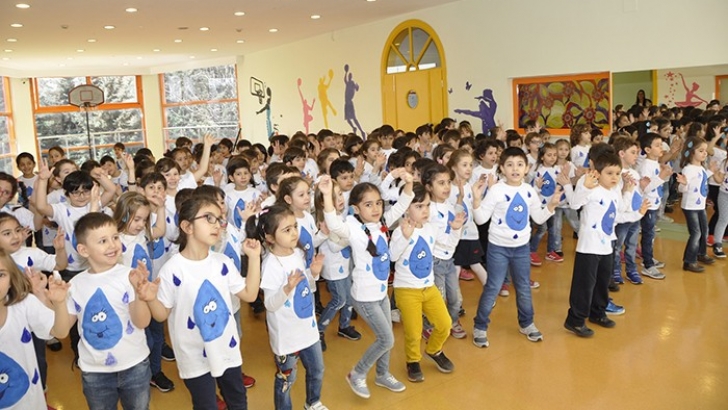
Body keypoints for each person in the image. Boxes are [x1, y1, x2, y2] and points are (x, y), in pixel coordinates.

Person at [146, 197, 262, 410]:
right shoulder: (172, 269)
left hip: (226, 347)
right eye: (209, 218)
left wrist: (254, 258)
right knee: (206, 404)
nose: (217, 225)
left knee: (237, 399)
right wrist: (150, 298)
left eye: (218, 219)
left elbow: (250, 294)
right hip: (192, 354)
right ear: (187, 226)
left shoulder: (222, 263)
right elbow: (161, 315)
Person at [320, 174, 414, 399]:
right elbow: (333, 224)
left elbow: (403, 203)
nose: (375, 208)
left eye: (378, 203)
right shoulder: (352, 227)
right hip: (364, 297)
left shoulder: (381, 222)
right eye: (368, 204)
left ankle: (382, 374)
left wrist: (409, 183)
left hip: (381, 293)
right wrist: (326, 195)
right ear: (356, 208)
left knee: (386, 336)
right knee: (387, 339)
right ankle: (357, 373)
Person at [56, 212, 155, 409]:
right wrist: (59, 303)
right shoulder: (75, 285)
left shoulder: (130, 276)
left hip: (134, 365)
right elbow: (60, 332)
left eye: (115, 237)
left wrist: (139, 293)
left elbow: (142, 322)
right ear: (83, 250)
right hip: (95, 372)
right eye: (103, 241)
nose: (112, 245)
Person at [470, 147, 561, 348]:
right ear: (501, 168)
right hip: (498, 248)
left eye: (520, 164)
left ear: (527, 168)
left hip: (521, 248)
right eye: (509, 165)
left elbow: (538, 218)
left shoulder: (529, 190)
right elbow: (481, 219)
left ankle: (527, 323)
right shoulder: (497, 190)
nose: (515, 169)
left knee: (523, 287)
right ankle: (480, 326)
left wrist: (551, 206)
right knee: (493, 286)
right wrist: (476, 200)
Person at [246, 205, 328, 410]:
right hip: (287, 336)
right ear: (270, 237)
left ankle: (313, 402)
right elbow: (269, 304)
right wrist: (286, 288)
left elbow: (305, 285)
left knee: (317, 369)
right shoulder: (270, 265)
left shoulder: (297, 253)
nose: (294, 233)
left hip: (308, 328)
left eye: (295, 227)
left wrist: (313, 273)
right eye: (287, 230)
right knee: (286, 379)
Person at [563, 153, 647, 337]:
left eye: (617, 173)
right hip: (589, 247)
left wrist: (637, 211)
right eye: (609, 173)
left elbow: (618, 215)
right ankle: (575, 320)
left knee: (602, 282)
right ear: (598, 173)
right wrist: (584, 187)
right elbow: (575, 204)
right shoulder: (591, 189)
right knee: (584, 285)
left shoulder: (614, 193)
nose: (614, 177)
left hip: (607, 246)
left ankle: (597, 312)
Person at [389, 183, 455, 383]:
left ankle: (434, 350)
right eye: (419, 206)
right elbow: (392, 256)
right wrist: (405, 237)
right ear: (406, 208)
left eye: (427, 205)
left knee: (445, 324)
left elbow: (447, 244)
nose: (425, 210)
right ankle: (413, 361)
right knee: (414, 332)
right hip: (406, 290)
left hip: (429, 287)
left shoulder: (431, 228)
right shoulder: (400, 231)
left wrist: (456, 230)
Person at [111, 192, 173, 392]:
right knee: (145, 339)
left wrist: (161, 208)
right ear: (123, 215)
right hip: (132, 300)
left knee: (157, 335)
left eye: (144, 219)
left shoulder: (142, 234)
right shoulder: (115, 241)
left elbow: (160, 229)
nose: (140, 224)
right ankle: (141, 374)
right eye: (136, 219)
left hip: (149, 294)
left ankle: (155, 372)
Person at [0, 249, 70, 410]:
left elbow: (60, 332)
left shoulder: (23, 305)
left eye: (1, 274)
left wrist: (59, 303)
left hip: (31, 403)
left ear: (11, 280)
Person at [313, 180, 361, 351]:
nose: (340, 199)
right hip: (334, 269)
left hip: (344, 265)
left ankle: (344, 326)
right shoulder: (327, 220)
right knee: (339, 300)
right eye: (334, 197)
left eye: (340, 194)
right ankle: (319, 330)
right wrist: (353, 237)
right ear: (323, 202)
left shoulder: (341, 217)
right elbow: (334, 246)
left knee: (349, 298)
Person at [677, 136, 721, 272]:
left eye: (705, 151)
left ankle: (701, 253)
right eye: (701, 151)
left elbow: (701, 177)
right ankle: (689, 261)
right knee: (696, 233)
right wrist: (684, 184)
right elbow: (682, 189)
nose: (704, 153)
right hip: (690, 206)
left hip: (700, 205)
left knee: (704, 230)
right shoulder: (688, 169)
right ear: (691, 152)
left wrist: (710, 171)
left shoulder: (700, 167)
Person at [611, 137, 648, 285]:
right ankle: (615, 270)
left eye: (637, 152)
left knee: (632, 245)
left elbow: (636, 193)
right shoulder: (616, 173)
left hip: (635, 215)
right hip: (622, 216)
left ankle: (631, 269)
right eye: (633, 152)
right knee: (617, 245)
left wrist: (642, 188)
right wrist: (624, 185)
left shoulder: (635, 173)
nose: (636, 155)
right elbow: (616, 196)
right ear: (621, 153)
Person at [637, 133, 673, 279]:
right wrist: (662, 176)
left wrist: (663, 174)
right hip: (648, 204)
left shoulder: (655, 163)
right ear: (647, 149)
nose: (661, 148)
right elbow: (646, 187)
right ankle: (648, 264)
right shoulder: (646, 165)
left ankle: (648, 257)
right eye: (657, 145)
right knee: (648, 234)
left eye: (661, 144)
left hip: (654, 203)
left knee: (650, 234)